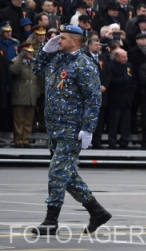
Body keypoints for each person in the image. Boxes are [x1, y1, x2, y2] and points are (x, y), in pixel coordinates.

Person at [32, 25, 111, 235]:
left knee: (57, 172)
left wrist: (88, 128)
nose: (58, 40)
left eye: (62, 38)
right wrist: (46, 50)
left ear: (75, 41)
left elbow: (93, 98)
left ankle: (51, 221)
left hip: (72, 129)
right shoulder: (57, 59)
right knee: (67, 175)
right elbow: (37, 69)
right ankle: (97, 212)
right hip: (54, 128)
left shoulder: (85, 64)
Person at [10, 43, 39, 147]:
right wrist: (20, 57)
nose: (31, 53)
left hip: (31, 95)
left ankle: (25, 139)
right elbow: (14, 70)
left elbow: (39, 78)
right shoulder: (16, 62)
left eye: (31, 51)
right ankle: (18, 140)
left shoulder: (34, 63)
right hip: (20, 94)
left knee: (28, 120)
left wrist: (37, 93)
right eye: (28, 52)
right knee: (19, 119)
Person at [107, 49, 136, 149]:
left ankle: (124, 141)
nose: (125, 59)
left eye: (126, 57)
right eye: (123, 57)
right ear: (117, 57)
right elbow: (111, 81)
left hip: (127, 99)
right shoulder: (111, 66)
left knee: (126, 123)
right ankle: (112, 141)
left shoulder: (128, 66)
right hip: (115, 99)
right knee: (114, 123)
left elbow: (133, 79)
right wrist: (124, 80)